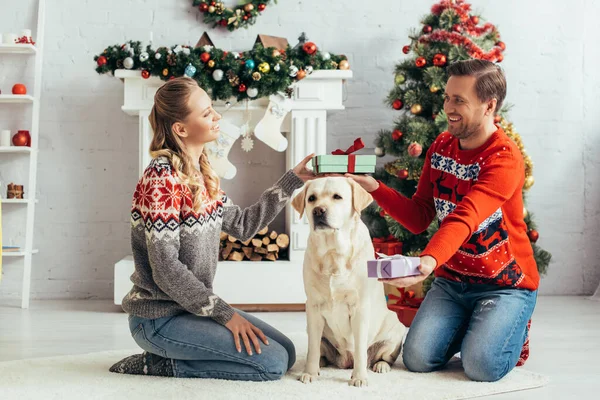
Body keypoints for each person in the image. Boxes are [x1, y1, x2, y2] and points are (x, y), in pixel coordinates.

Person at [109, 76, 315, 381]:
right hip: (158, 321)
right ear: (181, 128)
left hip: (190, 310)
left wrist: (294, 179)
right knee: (271, 364)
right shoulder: (161, 180)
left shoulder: (202, 177)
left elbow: (244, 226)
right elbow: (166, 268)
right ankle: (157, 364)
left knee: (287, 351)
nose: (217, 116)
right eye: (206, 113)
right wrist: (226, 315)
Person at [347, 59, 539, 382]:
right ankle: (475, 322)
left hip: (505, 285)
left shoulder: (504, 159)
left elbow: (466, 216)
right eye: (447, 97)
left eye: (459, 100)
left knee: (481, 366)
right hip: (453, 282)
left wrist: (426, 261)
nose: (447, 107)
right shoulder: (441, 146)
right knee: (417, 358)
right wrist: (374, 187)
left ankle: (508, 327)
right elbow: (420, 215)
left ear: (489, 105)